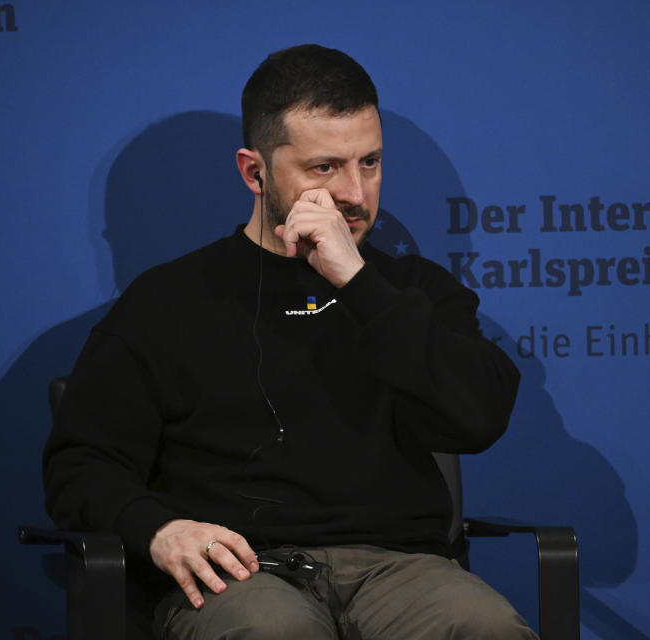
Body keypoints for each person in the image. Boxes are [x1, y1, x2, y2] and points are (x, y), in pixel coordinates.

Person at [43, 44, 536, 639]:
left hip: (400, 569)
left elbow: (478, 417)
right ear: (254, 172)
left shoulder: (412, 291)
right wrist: (158, 529)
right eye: (325, 168)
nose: (356, 192)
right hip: (242, 574)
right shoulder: (167, 302)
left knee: (486, 626)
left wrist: (357, 281)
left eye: (371, 162)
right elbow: (81, 464)